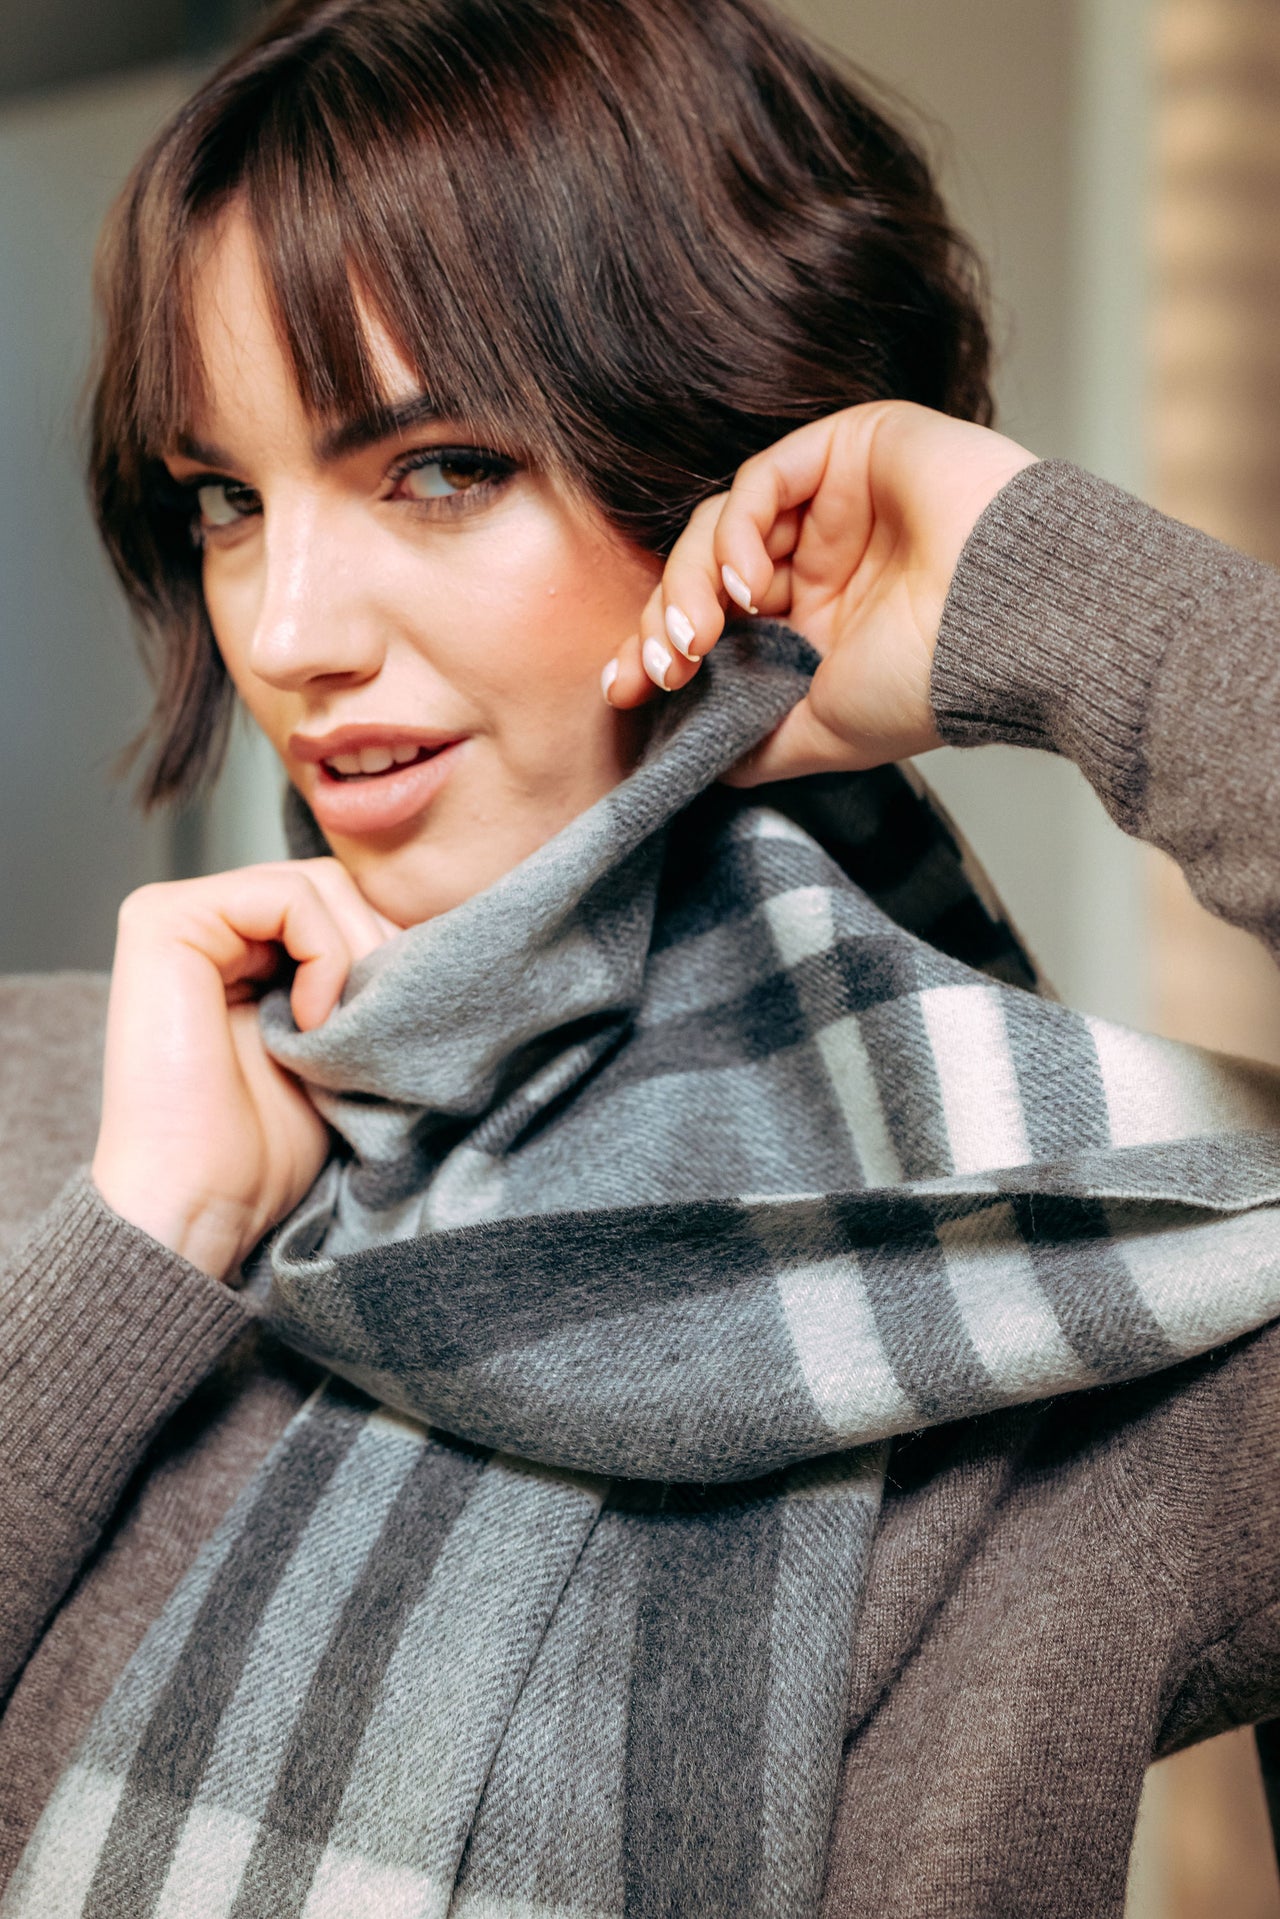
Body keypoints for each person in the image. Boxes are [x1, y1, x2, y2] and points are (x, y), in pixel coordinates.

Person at [1, 0, 1279, 1913]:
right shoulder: (72, 1119)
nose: (287, 632)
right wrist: (135, 1252)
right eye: (227, 501)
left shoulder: (1087, 1279)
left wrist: (1072, 609)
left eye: (440, 468)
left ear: (731, 469)